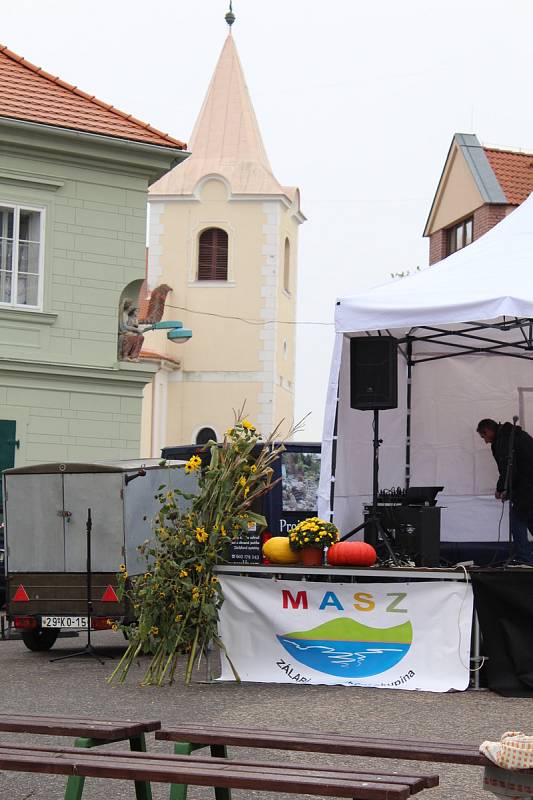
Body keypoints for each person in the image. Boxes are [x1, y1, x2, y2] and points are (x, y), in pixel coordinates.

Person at [477, 418, 533, 565]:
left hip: (527, 487)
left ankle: (525, 559)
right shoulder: (514, 434)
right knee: (529, 519)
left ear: (488, 431)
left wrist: (501, 489)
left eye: (484, 437)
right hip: (527, 485)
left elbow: (508, 468)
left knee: (517, 521)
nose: (485, 441)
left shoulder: (504, 440)